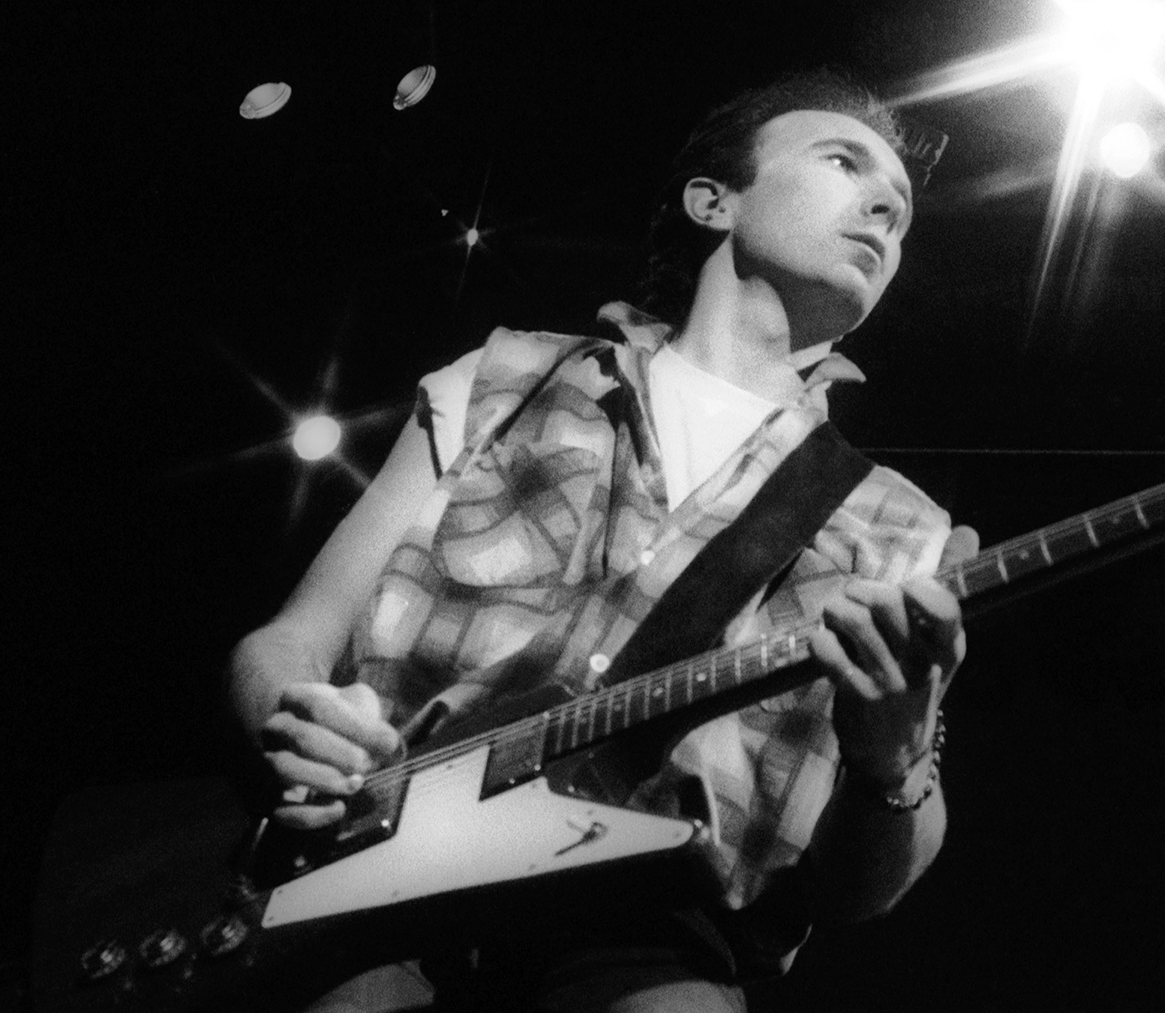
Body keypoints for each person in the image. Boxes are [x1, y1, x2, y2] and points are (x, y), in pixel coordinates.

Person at [228, 68, 978, 1012]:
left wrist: (892, 760)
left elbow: (867, 889)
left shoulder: (898, 523)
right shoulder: (506, 378)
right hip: (380, 878)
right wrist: (288, 725)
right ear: (714, 199)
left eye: (901, 211)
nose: (884, 206)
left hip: (656, 925)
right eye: (844, 162)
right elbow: (290, 639)